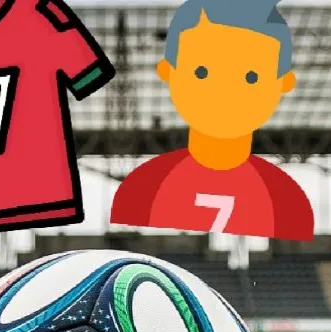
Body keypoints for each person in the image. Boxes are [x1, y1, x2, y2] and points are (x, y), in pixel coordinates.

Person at [110, 0, 314, 241]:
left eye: (251, 77)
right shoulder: (141, 190)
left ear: (283, 84)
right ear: (168, 71)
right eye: (201, 72)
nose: (226, 92)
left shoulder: (287, 202)